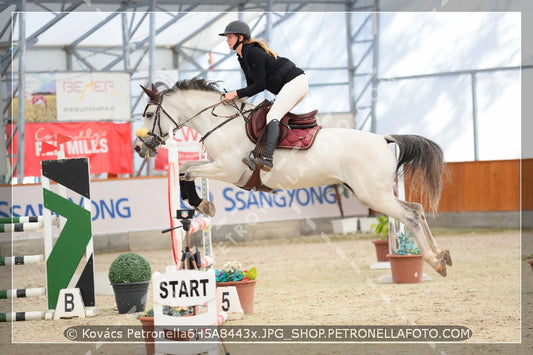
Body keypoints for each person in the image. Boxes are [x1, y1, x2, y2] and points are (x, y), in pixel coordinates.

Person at [219, 20, 309, 172]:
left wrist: (235, 93)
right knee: (272, 115)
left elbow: (260, 85)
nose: (227, 40)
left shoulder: (252, 52)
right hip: (293, 85)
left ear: (241, 38)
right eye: (227, 37)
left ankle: (267, 157)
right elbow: (251, 87)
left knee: (273, 115)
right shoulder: (242, 57)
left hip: (295, 82)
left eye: (230, 37)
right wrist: (235, 98)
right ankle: (260, 154)